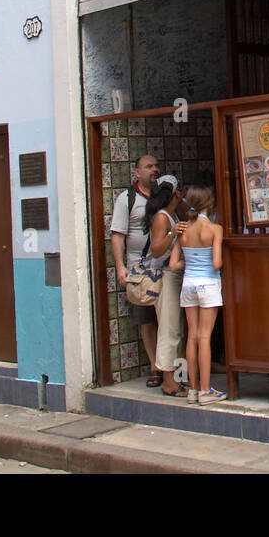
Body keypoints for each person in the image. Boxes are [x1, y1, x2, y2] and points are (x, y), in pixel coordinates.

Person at [109, 155, 163, 387]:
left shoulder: (164, 195)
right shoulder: (126, 199)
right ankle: (154, 366)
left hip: (164, 268)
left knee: (168, 319)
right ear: (137, 173)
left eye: (156, 166)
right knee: (146, 321)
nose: (154, 170)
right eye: (149, 167)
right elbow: (117, 235)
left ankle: (168, 365)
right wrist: (120, 267)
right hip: (139, 272)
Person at [169, 185, 227, 404]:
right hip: (208, 285)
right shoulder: (215, 229)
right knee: (205, 337)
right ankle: (206, 391)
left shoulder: (182, 230)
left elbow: (173, 264)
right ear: (209, 204)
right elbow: (216, 262)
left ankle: (193, 390)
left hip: (188, 285)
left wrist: (189, 261)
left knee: (191, 336)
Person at [144, 174, 190, 397]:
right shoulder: (162, 218)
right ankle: (168, 382)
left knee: (177, 328)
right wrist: (174, 232)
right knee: (169, 328)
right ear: (177, 193)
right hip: (164, 277)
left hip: (174, 276)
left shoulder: (173, 214)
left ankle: (179, 377)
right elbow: (156, 250)